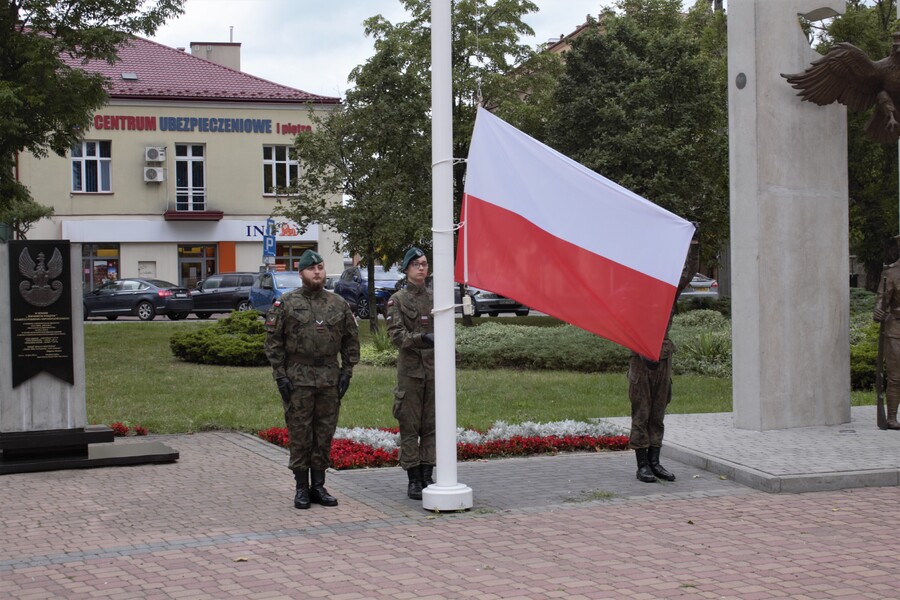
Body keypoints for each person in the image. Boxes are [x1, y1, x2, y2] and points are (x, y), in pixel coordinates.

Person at [264, 249, 360, 508]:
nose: (317, 272)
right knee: (300, 432)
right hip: (299, 377)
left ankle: (319, 486)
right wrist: (280, 376)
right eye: (311, 268)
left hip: (329, 376)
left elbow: (351, 339)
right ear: (301, 274)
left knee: (324, 432)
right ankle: (301, 488)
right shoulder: (286, 303)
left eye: (320, 267)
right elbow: (274, 344)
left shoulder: (338, 303)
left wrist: (347, 371)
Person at [628, 228, 700, 483]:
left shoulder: (667, 291)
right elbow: (626, 326)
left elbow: (688, 273)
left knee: (659, 411)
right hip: (641, 360)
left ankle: (656, 462)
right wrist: (641, 350)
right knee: (642, 412)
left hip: (663, 358)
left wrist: (693, 242)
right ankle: (642, 465)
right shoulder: (632, 292)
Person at [386, 247, 435, 500]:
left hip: (434, 372)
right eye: (415, 264)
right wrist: (422, 338)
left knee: (432, 426)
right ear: (406, 269)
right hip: (411, 373)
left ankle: (428, 474)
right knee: (410, 427)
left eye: (424, 263)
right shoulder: (398, 299)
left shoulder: (436, 298)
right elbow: (397, 336)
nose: (421, 268)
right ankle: (414, 479)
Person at [873, 248, 900, 430]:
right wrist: (878, 311)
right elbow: (881, 300)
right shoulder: (891, 273)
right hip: (896, 329)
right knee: (896, 377)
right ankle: (891, 417)